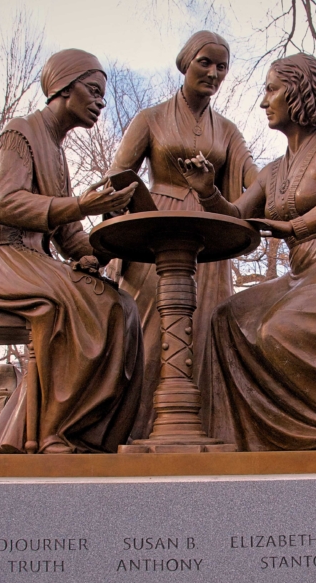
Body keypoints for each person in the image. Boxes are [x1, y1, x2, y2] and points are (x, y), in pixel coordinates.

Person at [180, 53, 316, 451]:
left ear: (297, 92)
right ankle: (262, 434)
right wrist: (206, 189)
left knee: (280, 327)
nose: (264, 102)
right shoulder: (273, 171)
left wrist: (295, 227)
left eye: (270, 90)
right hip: (306, 271)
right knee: (226, 318)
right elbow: (236, 215)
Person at [0, 49, 143, 454]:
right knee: (72, 301)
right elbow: (6, 202)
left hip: (25, 262)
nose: (100, 103)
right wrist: (79, 206)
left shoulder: (57, 154)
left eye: (103, 95)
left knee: (122, 306)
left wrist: (108, 228)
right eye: (93, 91)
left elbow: (70, 237)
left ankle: (90, 433)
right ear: (63, 89)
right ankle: (50, 431)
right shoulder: (21, 132)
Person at [107, 30, 258, 440]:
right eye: (204, 63)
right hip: (154, 231)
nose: (213, 72)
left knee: (208, 327)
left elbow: (256, 182)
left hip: (208, 236)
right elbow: (116, 179)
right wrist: (125, 206)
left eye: (221, 67)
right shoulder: (150, 118)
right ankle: (137, 431)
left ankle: (204, 430)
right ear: (185, 64)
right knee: (148, 332)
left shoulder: (227, 130)